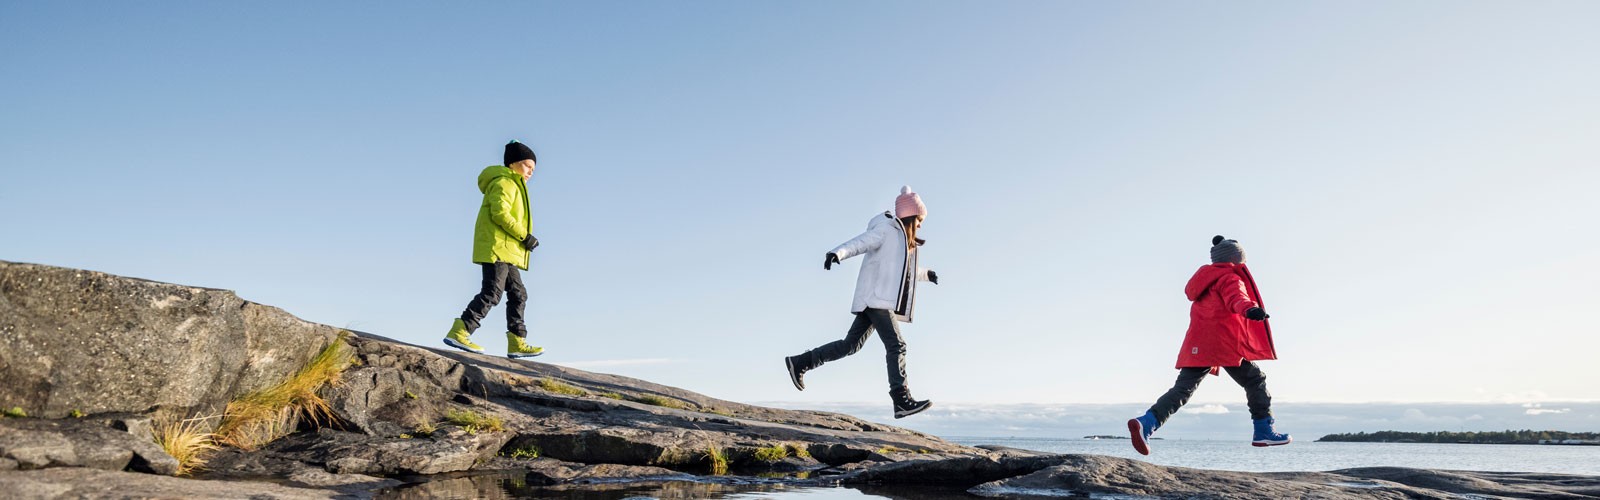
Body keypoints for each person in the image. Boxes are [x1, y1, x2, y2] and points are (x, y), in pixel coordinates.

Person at [785, 186, 940, 419]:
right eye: (919, 220)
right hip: (876, 299)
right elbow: (861, 242)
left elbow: (903, 272)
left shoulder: (899, 241)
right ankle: (901, 399)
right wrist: (838, 252)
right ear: (911, 216)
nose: (920, 225)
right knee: (897, 345)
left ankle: (800, 362)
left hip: (875, 300)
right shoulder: (886, 230)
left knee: (850, 345)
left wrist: (926, 274)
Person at [1128, 235, 1289, 455]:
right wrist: (1250, 309)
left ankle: (1147, 422)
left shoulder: (1204, 280)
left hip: (1197, 343)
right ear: (1237, 259)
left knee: (1182, 390)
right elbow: (1237, 298)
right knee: (1255, 379)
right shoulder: (1229, 277)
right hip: (1221, 343)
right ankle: (1263, 431)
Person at [442, 140, 544, 359]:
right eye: (528, 166)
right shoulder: (504, 182)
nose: (531, 172)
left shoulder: (514, 184)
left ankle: (517, 342)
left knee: (519, 294)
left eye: (533, 169)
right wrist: (524, 236)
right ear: (514, 163)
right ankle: (460, 331)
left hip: (507, 252)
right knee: (492, 292)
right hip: (497, 248)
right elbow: (500, 213)